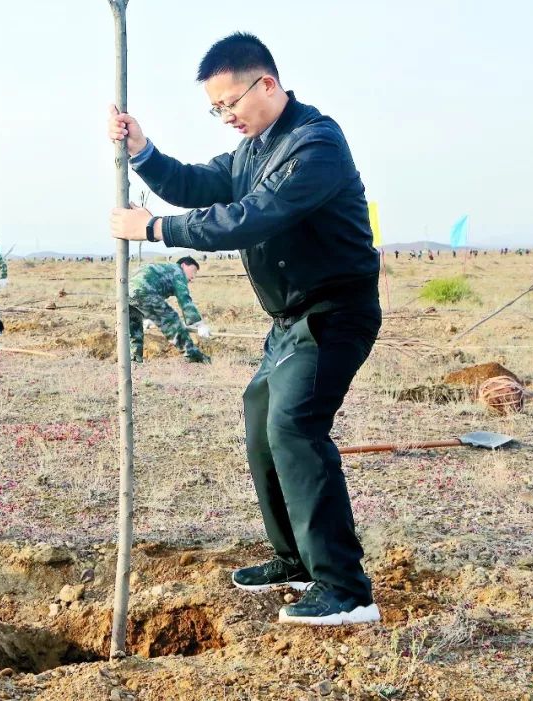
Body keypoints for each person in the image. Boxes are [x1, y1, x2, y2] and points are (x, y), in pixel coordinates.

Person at [108, 33, 382, 626]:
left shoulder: (316, 146)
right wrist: (142, 151)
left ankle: (346, 590)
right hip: (288, 320)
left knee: (294, 427)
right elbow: (194, 184)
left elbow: (251, 219)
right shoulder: (252, 151)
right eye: (216, 109)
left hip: (335, 313)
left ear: (267, 84)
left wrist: (154, 229)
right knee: (261, 425)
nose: (225, 116)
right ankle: (294, 558)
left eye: (230, 103)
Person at [129, 256, 210, 363]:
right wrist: (198, 324)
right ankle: (191, 353)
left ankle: (134, 358)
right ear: (183, 265)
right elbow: (184, 298)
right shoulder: (178, 271)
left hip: (127, 292)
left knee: (134, 327)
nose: (193, 277)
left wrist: (148, 315)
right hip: (144, 291)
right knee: (171, 321)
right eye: (193, 271)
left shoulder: (165, 269)